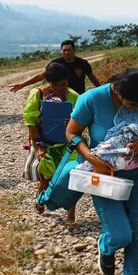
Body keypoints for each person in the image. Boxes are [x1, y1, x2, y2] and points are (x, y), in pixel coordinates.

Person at [65, 68, 138, 275]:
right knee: (121, 234)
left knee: (137, 227)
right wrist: (92, 159)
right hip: (104, 175)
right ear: (118, 91)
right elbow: (71, 133)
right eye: (131, 104)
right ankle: (107, 246)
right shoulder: (91, 99)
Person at [23, 61, 79, 229]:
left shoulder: (73, 96)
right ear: (47, 81)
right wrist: (39, 147)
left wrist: (74, 123)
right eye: (56, 84)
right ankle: (41, 198)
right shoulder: (37, 95)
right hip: (44, 142)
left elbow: (80, 120)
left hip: (67, 144)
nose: (61, 88)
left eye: (64, 84)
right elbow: (30, 122)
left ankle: (71, 215)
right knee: (46, 178)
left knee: (72, 177)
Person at [9, 40, 101, 94]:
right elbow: (41, 76)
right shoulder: (55, 63)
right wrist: (22, 85)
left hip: (77, 96)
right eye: (64, 50)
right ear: (61, 51)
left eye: (69, 50)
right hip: (57, 96)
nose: (66, 52)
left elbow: (92, 78)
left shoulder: (82, 63)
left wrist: (101, 90)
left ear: (74, 50)